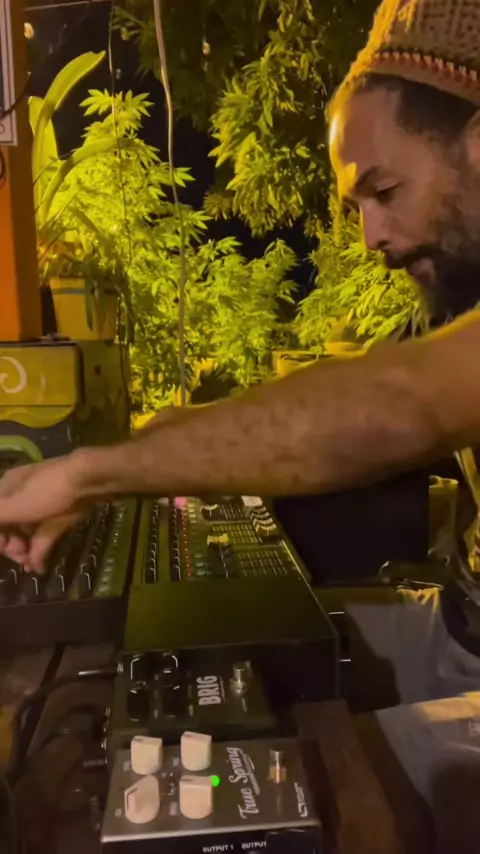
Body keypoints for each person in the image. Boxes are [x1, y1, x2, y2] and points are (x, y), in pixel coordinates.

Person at [4, 0, 480, 845]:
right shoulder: (456, 301)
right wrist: (145, 451)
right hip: (461, 623)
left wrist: (87, 472)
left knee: (296, 791)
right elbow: (350, 385)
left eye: (385, 191)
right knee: (241, 677)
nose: (369, 236)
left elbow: (394, 406)